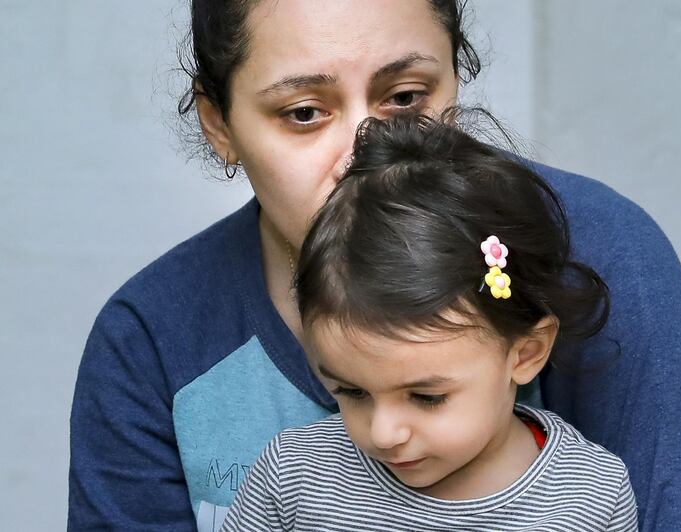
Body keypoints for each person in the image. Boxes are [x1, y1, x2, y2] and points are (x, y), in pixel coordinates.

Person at [68, 1, 681, 531]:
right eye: (303, 113)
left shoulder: (605, 254)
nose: (366, 148)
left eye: (408, 98)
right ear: (219, 124)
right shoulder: (150, 342)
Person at [221, 111, 639, 531]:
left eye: (426, 397)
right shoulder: (295, 480)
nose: (384, 434)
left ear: (525, 353)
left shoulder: (589, 497)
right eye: (351, 391)